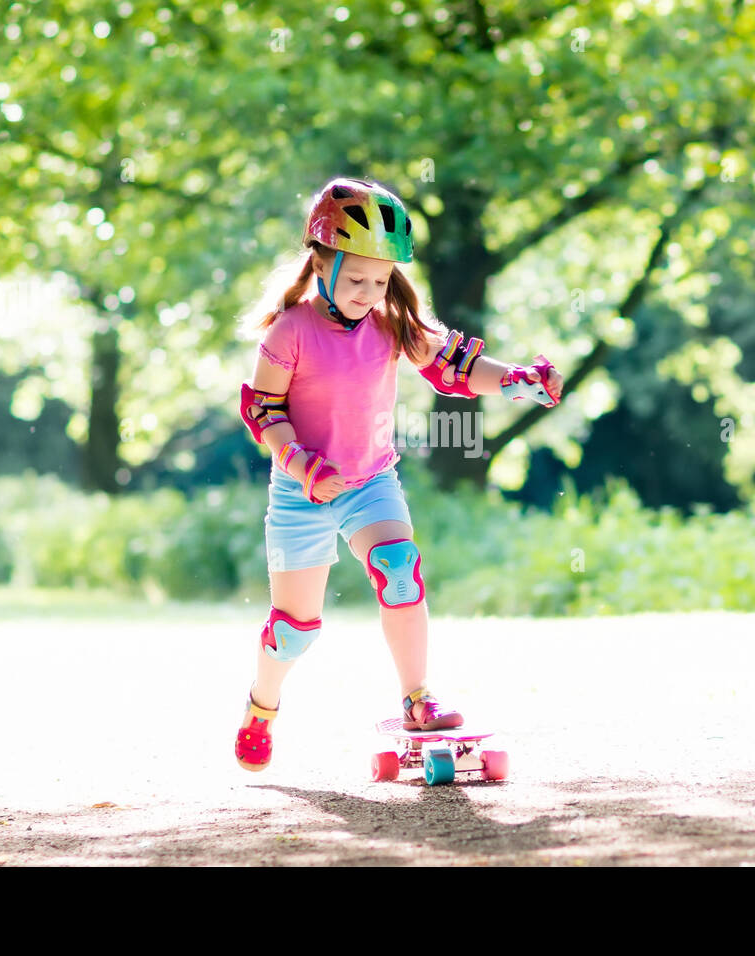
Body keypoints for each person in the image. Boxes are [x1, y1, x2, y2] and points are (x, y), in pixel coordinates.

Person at [234, 176, 563, 771]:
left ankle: (417, 698)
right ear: (322, 263)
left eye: (381, 281)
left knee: (399, 569)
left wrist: (518, 378)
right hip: (300, 491)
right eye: (356, 278)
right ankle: (262, 708)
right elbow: (263, 412)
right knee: (295, 630)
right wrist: (303, 465)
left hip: (370, 481)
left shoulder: (390, 322)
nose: (369, 292)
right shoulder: (290, 331)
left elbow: (456, 366)